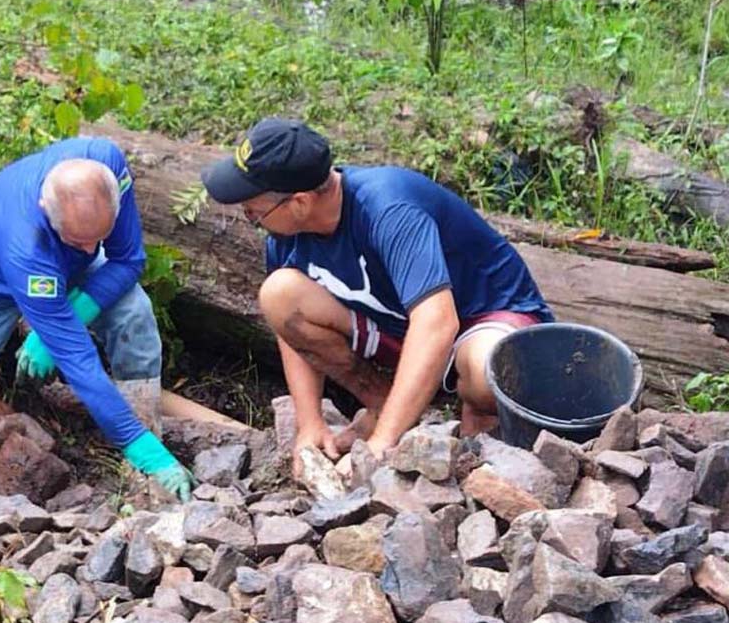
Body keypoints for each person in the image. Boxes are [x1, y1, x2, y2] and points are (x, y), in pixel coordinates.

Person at [201, 118, 554, 472]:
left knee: (486, 371)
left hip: (482, 319)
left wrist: (381, 445)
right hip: (399, 325)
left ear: (300, 202)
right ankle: (384, 403)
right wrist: (309, 425)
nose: (251, 217)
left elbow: (438, 323)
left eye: (253, 211)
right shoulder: (285, 236)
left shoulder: (388, 208)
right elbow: (289, 331)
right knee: (279, 295)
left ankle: (474, 415)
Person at [0, 137, 194, 501]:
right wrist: (55, 329)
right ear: (45, 209)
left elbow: (128, 259)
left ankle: (145, 476)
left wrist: (72, 309)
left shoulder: (108, 165)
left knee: (134, 312)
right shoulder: (25, 245)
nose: (91, 249)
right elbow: (80, 362)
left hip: (65, 265)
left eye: (97, 238)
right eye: (79, 239)